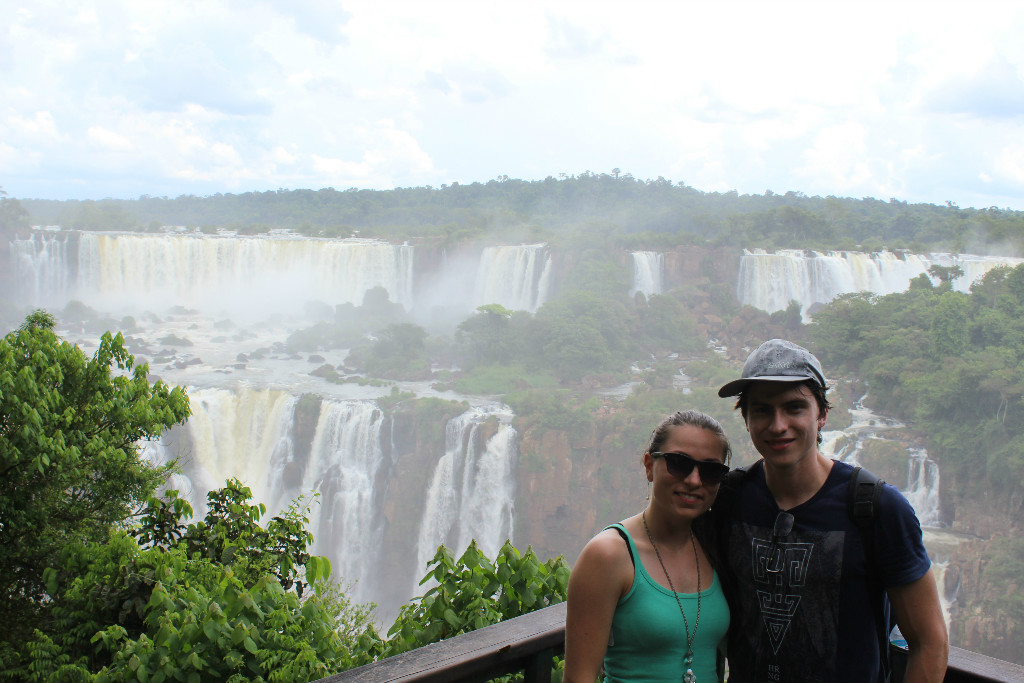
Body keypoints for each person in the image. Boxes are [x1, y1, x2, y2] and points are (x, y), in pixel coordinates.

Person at [707, 338, 948, 683]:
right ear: (745, 419)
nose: (778, 425)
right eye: (761, 410)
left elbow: (929, 641)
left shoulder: (877, 508)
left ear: (821, 415)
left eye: (794, 408)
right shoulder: (730, 498)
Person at [564, 410, 732, 683]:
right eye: (679, 463)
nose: (693, 480)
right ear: (649, 465)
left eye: (711, 471)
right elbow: (578, 678)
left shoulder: (715, 548)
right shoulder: (609, 555)